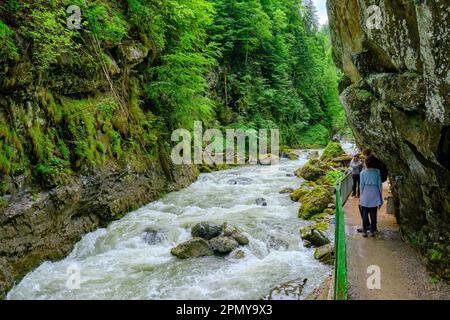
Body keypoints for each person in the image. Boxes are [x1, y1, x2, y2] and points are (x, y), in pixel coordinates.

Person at [359, 155, 383, 238]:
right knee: (374, 214)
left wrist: (361, 197)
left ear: (366, 163)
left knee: (364, 213)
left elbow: (361, 186)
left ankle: (365, 231)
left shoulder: (362, 173)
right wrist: (380, 197)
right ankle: (372, 231)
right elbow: (380, 185)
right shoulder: (377, 172)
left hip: (366, 193)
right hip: (375, 193)